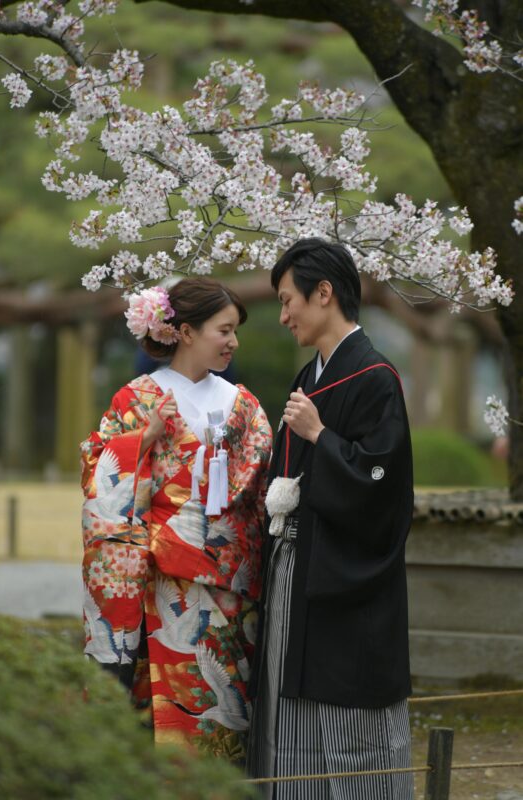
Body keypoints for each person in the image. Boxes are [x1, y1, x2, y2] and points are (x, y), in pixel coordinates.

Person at [247, 238, 414, 798]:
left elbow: (383, 491)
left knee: (351, 732)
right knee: (289, 724)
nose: (284, 314)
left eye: (288, 298)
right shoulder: (307, 379)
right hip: (295, 574)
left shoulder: (375, 378)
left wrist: (320, 435)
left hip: (346, 586)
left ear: (325, 293)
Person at [80, 278, 272, 759]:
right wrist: (145, 438)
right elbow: (97, 471)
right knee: (161, 718)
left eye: (235, 332)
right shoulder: (137, 399)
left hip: (231, 588)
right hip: (159, 585)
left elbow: (261, 492)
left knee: (225, 708)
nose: (233, 342)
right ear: (185, 331)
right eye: (223, 330)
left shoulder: (242, 405)